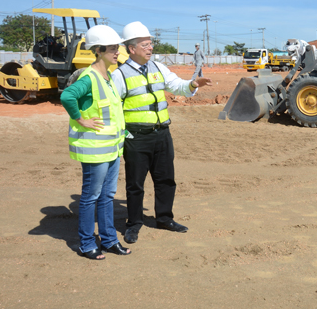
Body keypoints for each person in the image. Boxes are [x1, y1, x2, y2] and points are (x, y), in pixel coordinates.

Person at [112, 21, 212, 244]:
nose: (150, 48)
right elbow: (114, 109)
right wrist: (121, 140)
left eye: (151, 43)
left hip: (162, 134)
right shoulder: (119, 75)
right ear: (132, 49)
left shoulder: (158, 68)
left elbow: (177, 86)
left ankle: (165, 219)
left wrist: (193, 83)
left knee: (166, 180)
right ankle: (134, 223)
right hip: (135, 137)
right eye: (145, 44)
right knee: (135, 184)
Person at [60, 25, 131, 260]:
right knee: (91, 196)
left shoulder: (107, 76)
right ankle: (87, 243)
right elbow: (67, 96)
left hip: (111, 149)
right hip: (94, 150)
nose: (117, 52)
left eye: (117, 48)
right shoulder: (89, 76)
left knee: (107, 196)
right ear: (99, 50)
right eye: (113, 48)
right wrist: (80, 118)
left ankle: (109, 241)